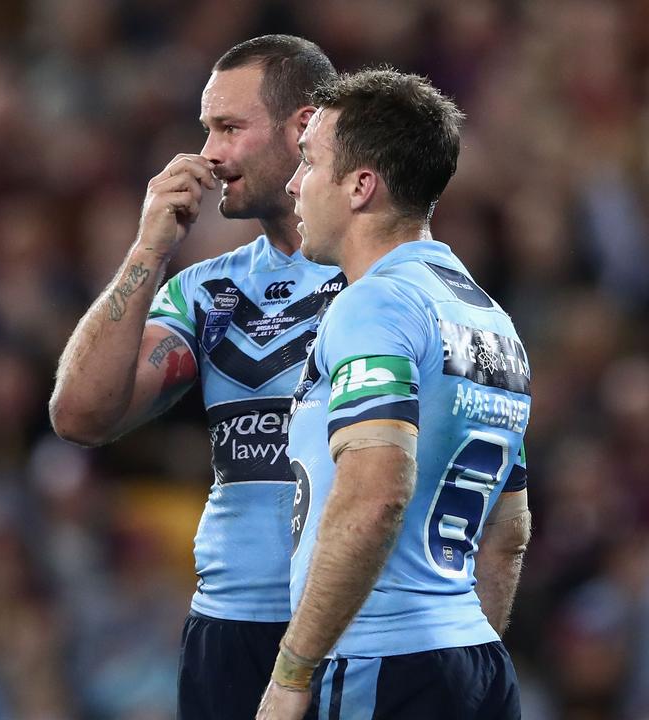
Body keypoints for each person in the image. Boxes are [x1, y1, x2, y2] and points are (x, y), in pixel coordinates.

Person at [49, 35, 339, 719]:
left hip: (350, 623)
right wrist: (149, 250)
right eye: (206, 128)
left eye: (229, 128)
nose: (207, 153)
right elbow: (80, 415)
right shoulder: (208, 293)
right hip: (228, 628)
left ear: (304, 127)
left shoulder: (386, 279)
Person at [257, 69, 531, 719]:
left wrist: (293, 673)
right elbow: (508, 533)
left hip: (374, 664)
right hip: (475, 665)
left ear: (360, 185)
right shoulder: (493, 321)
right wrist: (456, 671)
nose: (294, 185)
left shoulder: (377, 304)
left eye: (309, 162)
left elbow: (376, 493)